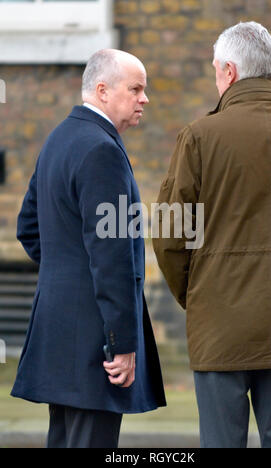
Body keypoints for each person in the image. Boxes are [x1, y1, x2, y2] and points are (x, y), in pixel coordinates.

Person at [153, 22, 271, 448]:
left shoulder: (199, 137)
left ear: (230, 72)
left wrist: (197, 295)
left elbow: (168, 235)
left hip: (219, 326)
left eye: (216, 69)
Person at [12, 49, 166, 449]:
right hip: (96, 344)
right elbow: (112, 257)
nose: (144, 99)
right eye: (135, 89)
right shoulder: (102, 151)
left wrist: (68, 278)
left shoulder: (59, 137)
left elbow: (28, 228)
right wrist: (122, 344)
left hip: (59, 333)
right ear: (102, 90)